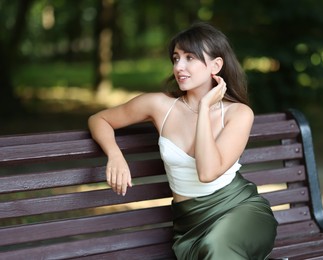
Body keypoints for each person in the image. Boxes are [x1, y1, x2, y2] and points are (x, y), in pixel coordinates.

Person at [88, 22, 278, 260]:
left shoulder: (238, 114)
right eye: (176, 58)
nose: (179, 66)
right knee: (211, 248)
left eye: (190, 58)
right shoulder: (159, 106)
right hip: (190, 224)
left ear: (216, 65)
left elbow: (207, 172)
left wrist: (205, 106)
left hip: (240, 210)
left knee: (216, 248)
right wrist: (115, 155)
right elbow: (100, 119)